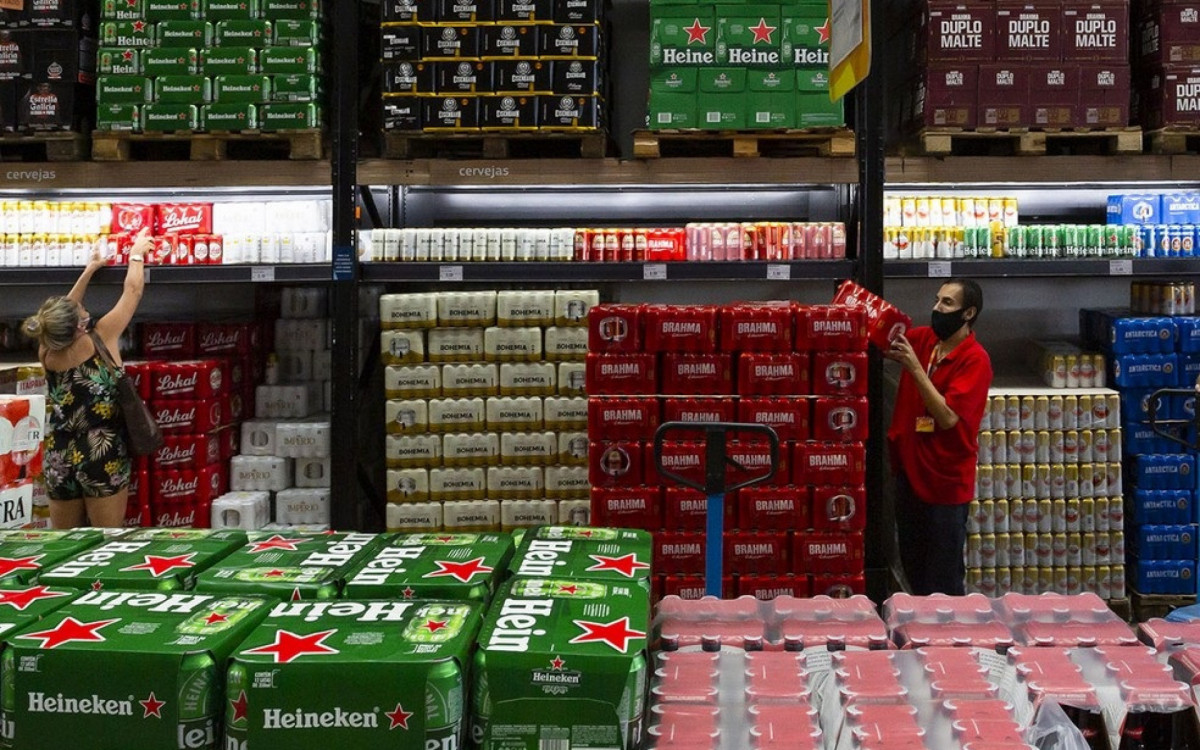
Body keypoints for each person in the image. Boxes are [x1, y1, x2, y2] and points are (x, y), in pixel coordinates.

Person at [21, 228, 153, 528]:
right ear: (79, 326)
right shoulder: (100, 338)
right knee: (106, 540)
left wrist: (89, 270)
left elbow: (61, 316)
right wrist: (136, 254)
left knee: (65, 543)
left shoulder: (46, 350)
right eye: (81, 311)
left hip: (59, 452)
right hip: (100, 451)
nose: (84, 307)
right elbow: (132, 292)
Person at [886, 279, 993, 596]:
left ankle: (948, 644)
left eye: (947, 303)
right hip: (909, 476)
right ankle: (919, 640)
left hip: (945, 485)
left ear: (968, 312)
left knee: (943, 580)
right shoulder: (924, 340)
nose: (936, 308)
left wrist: (916, 370)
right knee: (914, 569)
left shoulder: (975, 360)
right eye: (937, 300)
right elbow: (880, 336)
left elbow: (947, 418)